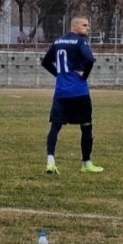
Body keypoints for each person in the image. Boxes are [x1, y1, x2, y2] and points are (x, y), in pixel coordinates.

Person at [41, 16, 103, 175]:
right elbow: (90, 59)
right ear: (74, 27)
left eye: (88, 25)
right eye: (84, 25)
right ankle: (86, 163)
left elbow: (45, 62)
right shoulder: (81, 42)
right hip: (79, 92)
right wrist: (84, 76)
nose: (88, 28)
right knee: (86, 126)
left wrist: (59, 74)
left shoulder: (58, 42)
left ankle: (50, 161)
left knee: (55, 126)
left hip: (61, 92)